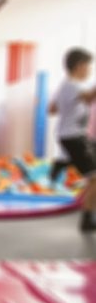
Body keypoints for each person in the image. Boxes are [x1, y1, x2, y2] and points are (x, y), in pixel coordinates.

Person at [48, 48, 96, 231]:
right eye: (88, 66)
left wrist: (66, 107)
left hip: (73, 136)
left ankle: (62, 163)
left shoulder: (66, 86)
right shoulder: (72, 85)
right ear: (79, 66)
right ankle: (87, 220)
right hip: (73, 137)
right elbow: (90, 97)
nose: (90, 70)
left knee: (92, 175)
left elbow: (51, 109)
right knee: (94, 179)